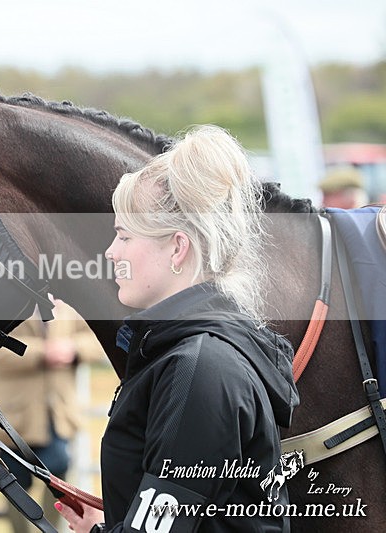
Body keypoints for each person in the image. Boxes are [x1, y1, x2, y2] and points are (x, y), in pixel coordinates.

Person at [57, 125, 299, 532]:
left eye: (124, 236)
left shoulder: (200, 368)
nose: (111, 252)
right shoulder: (193, 354)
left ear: (177, 248)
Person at [0, 298, 104, 533]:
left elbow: (97, 340)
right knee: (13, 483)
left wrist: (73, 350)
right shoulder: (3, 303)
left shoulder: (70, 304)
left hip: (57, 415)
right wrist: (41, 353)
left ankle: (49, 530)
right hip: (13, 418)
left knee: (59, 474)